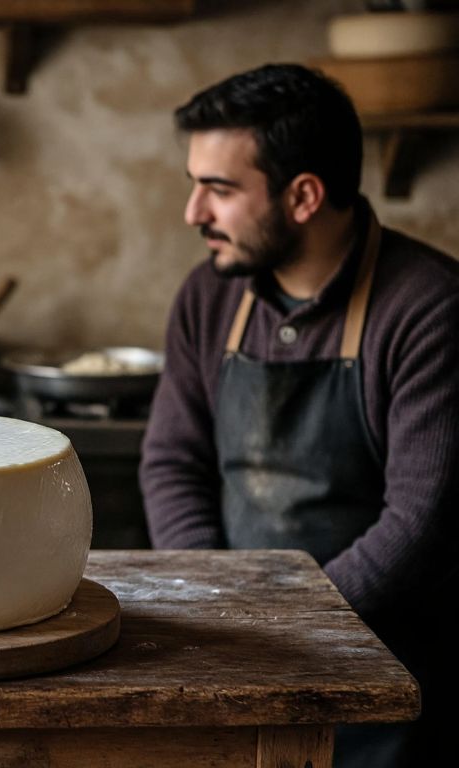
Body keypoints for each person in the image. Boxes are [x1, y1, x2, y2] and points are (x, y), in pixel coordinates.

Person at [140, 63, 459, 766]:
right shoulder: (208, 298)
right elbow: (172, 463)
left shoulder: (430, 308)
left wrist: (286, 627)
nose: (194, 213)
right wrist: (219, 609)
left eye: (218, 190)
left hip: (390, 675)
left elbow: (422, 520)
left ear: (304, 196)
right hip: (242, 660)